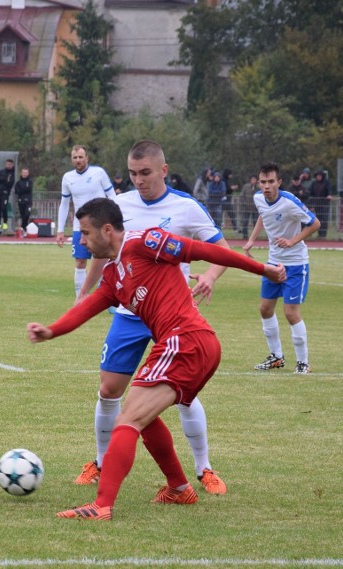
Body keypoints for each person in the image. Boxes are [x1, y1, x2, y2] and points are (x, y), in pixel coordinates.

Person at [27, 197, 285, 521]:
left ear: (107, 230)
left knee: (127, 420)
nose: (81, 240)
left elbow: (205, 251)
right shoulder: (113, 276)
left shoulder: (144, 242)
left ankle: (102, 505)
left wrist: (264, 269)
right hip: (183, 344)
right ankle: (178, 488)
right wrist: (50, 331)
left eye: (85, 232)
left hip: (187, 340)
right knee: (141, 416)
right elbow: (86, 309)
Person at [73, 140, 235, 495]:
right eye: (132, 174)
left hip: (172, 315)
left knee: (183, 396)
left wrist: (210, 275)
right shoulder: (120, 205)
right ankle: (100, 462)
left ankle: (204, 468)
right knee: (109, 390)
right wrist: (85, 292)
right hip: (129, 312)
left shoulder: (186, 207)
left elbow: (221, 252)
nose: (138, 180)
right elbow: (103, 251)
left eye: (145, 173)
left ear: (163, 169)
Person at [243, 162, 321, 375]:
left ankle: (303, 362)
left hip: (295, 264)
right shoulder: (258, 198)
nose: (266, 186)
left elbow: (315, 224)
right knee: (265, 309)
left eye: (270, 182)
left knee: (290, 313)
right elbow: (263, 215)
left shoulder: (289, 202)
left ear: (279, 182)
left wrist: (293, 241)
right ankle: (276, 357)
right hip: (272, 263)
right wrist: (251, 240)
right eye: (263, 182)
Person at [56, 145, 117, 296]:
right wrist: (60, 230)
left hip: (102, 225)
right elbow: (64, 204)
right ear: (72, 159)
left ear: (87, 158)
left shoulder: (99, 173)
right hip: (80, 228)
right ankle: (81, 298)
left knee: (105, 261)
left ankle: (108, 298)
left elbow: (113, 196)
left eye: (81, 157)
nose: (78, 160)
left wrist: (117, 220)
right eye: (75, 158)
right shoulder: (67, 178)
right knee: (80, 262)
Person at [308, 169, 333, 238]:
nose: (318, 177)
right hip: (317, 203)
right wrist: (311, 204)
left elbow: (329, 190)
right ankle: (319, 234)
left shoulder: (326, 182)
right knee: (318, 219)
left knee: (324, 219)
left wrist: (330, 195)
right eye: (317, 176)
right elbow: (310, 193)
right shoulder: (314, 183)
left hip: (325, 203)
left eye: (320, 176)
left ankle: (323, 235)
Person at [0, 159, 16, 230]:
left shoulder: (13, 173)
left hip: (5, 193)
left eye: (10, 164)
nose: (8, 165)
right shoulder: (2, 171)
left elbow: (9, 183)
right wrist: (4, 179)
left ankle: (5, 223)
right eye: (7, 164)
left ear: (12, 165)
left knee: (4, 207)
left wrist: (3, 180)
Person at [238, 175, 259, 239]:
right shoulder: (246, 187)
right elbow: (242, 196)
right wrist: (244, 204)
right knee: (245, 222)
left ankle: (255, 237)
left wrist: (257, 205)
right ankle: (245, 236)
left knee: (256, 223)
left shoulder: (259, 187)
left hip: (255, 208)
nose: (253, 180)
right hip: (246, 208)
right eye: (252, 179)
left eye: (254, 179)